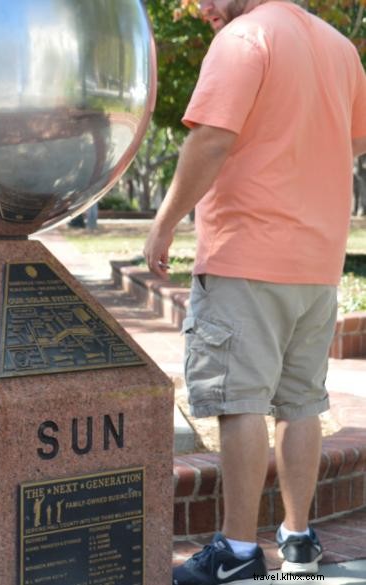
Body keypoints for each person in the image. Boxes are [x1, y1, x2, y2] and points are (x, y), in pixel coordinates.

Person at [142, 1, 366, 584]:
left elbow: (211, 139)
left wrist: (164, 223)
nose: (203, 8)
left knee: (238, 400)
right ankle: (298, 543)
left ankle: (238, 553)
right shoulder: (340, 48)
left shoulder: (245, 39)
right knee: (301, 403)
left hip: (247, 256)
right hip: (317, 265)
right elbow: (356, 141)